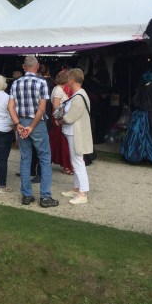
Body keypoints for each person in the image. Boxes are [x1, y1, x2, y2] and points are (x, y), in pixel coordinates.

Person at [11, 55, 59, 208]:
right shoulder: (42, 83)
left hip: (21, 121)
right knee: (44, 158)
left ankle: (26, 195)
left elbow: (10, 107)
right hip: (37, 123)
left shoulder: (16, 83)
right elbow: (42, 109)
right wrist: (31, 126)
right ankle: (45, 196)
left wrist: (18, 124)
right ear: (37, 67)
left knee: (25, 158)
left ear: (24, 67)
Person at [59, 68, 94, 205]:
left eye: (69, 78)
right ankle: (77, 188)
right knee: (76, 161)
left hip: (75, 133)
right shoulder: (79, 94)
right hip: (73, 132)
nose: (67, 80)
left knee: (78, 162)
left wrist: (61, 120)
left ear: (72, 79)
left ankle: (83, 193)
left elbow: (71, 116)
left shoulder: (79, 96)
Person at [120, 70, 152, 165]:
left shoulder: (142, 87)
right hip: (150, 114)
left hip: (140, 114)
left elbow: (135, 101)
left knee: (139, 136)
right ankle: (150, 157)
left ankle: (139, 156)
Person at [49, 70, 74, 175]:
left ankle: (65, 164)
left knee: (60, 143)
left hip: (59, 119)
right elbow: (55, 106)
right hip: (59, 120)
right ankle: (66, 165)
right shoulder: (59, 90)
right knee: (63, 144)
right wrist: (57, 119)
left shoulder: (58, 89)